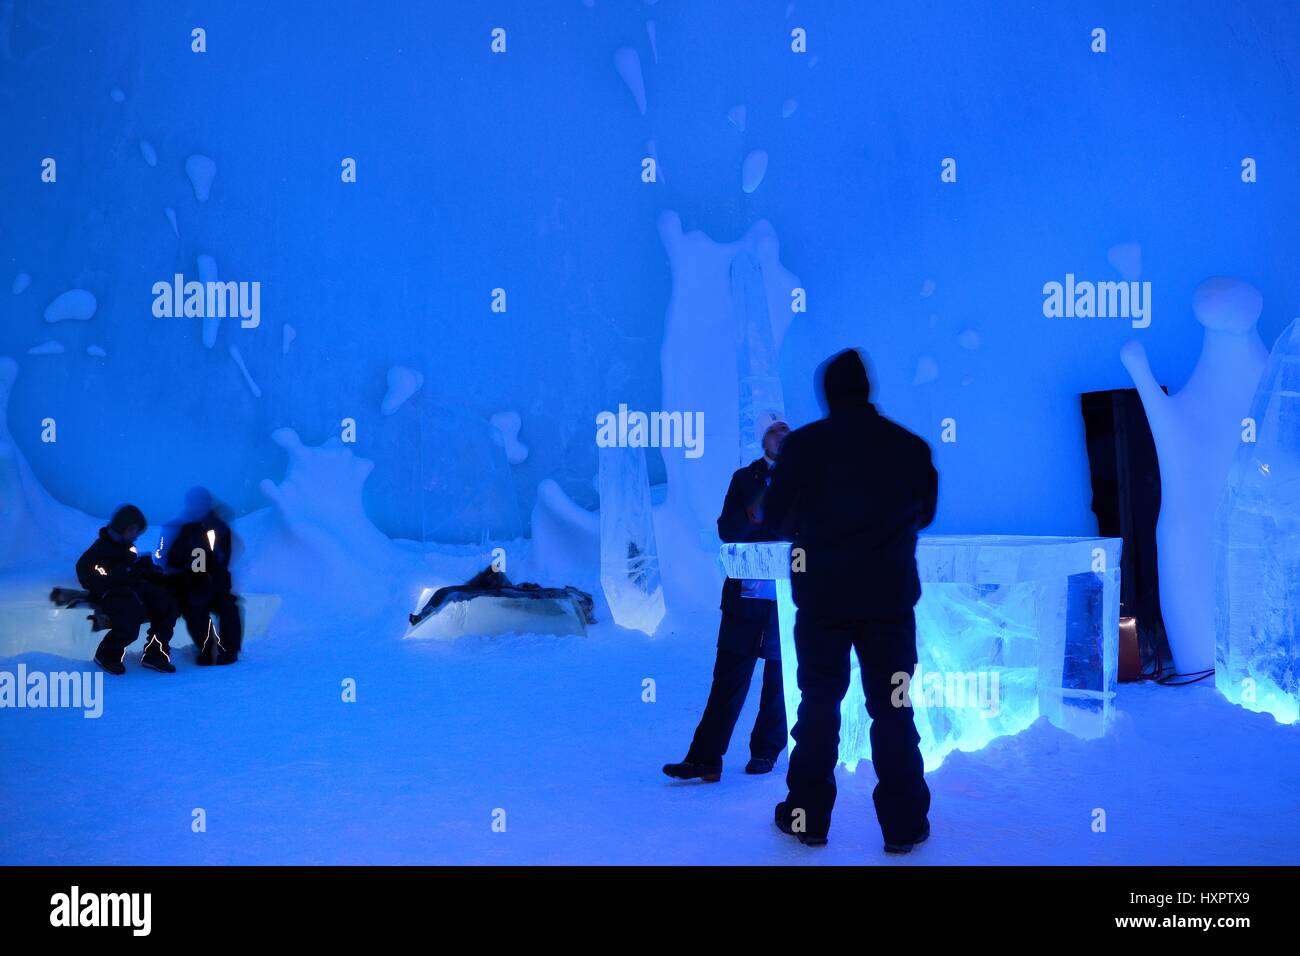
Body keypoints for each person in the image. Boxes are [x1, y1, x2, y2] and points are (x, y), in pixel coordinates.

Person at [762, 349, 938, 854]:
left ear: (828, 394)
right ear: (867, 388)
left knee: (818, 706)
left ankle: (806, 819)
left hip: (821, 602)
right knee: (894, 709)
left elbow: (776, 519)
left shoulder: (803, 448)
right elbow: (924, 512)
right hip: (889, 602)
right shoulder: (909, 447)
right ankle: (904, 826)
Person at [663, 416, 791, 782]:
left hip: (785, 596)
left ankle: (766, 751)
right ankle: (705, 758)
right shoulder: (744, 478)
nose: (779, 437)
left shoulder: (806, 478)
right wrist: (755, 513)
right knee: (728, 679)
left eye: (785, 430)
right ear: (762, 439)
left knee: (779, 680)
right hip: (744, 597)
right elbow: (726, 530)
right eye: (773, 431)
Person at [76, 504, 180, 675]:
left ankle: (155, 653)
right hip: (112, 594)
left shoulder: (127, 545)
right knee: (132, 615)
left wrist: (149, 570)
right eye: (135, 531)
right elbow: (86, 573)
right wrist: (122, 574)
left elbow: (131, 566)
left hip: (133, 589)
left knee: (167, 604)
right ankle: (107, 654)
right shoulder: (100, 549)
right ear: (124, 527)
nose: (136, 536)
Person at [162, 487, 241, 666]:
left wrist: (210, 571)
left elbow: (223, 558)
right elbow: (172, 559)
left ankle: (229, 650)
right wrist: (186, 567)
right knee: (195, 609)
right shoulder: (184, 529)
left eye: (200, 503)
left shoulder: (219, 527)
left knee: (229, 608)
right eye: (193, 504)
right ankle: (207, 648)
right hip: (192, 584)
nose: (197, 507)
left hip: (216, 583)